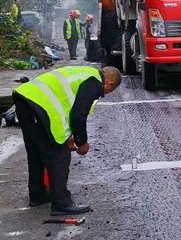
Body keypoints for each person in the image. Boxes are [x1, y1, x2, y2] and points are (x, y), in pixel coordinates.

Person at [12, 65, 122, 214]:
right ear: (109, 84)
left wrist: (68, 136)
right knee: (59, 155)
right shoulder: (94, 82)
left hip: (25, 101)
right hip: (38, 107)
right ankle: (61, 203)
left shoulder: (83, 72)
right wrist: (81, 142)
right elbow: (78, 115)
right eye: (109, 91)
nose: (104, 95)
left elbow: (66, 106)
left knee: (36, 152)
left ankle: (38, 194)